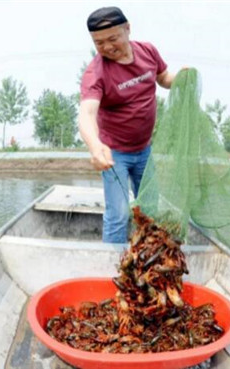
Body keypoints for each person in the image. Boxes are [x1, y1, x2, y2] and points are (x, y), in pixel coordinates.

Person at [79, 6, 177, 243]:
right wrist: (95, 146)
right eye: (99, 43)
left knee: (150, 212)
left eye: (113, 38)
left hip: (144, 150)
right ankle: (109, 269)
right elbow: (87, 113)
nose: (107, 47)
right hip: (114, 155)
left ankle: (146, 259)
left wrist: (181, 79)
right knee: (119, 214)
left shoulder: (148, 52)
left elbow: (163, 78)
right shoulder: (96, 72)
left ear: (127, 29)